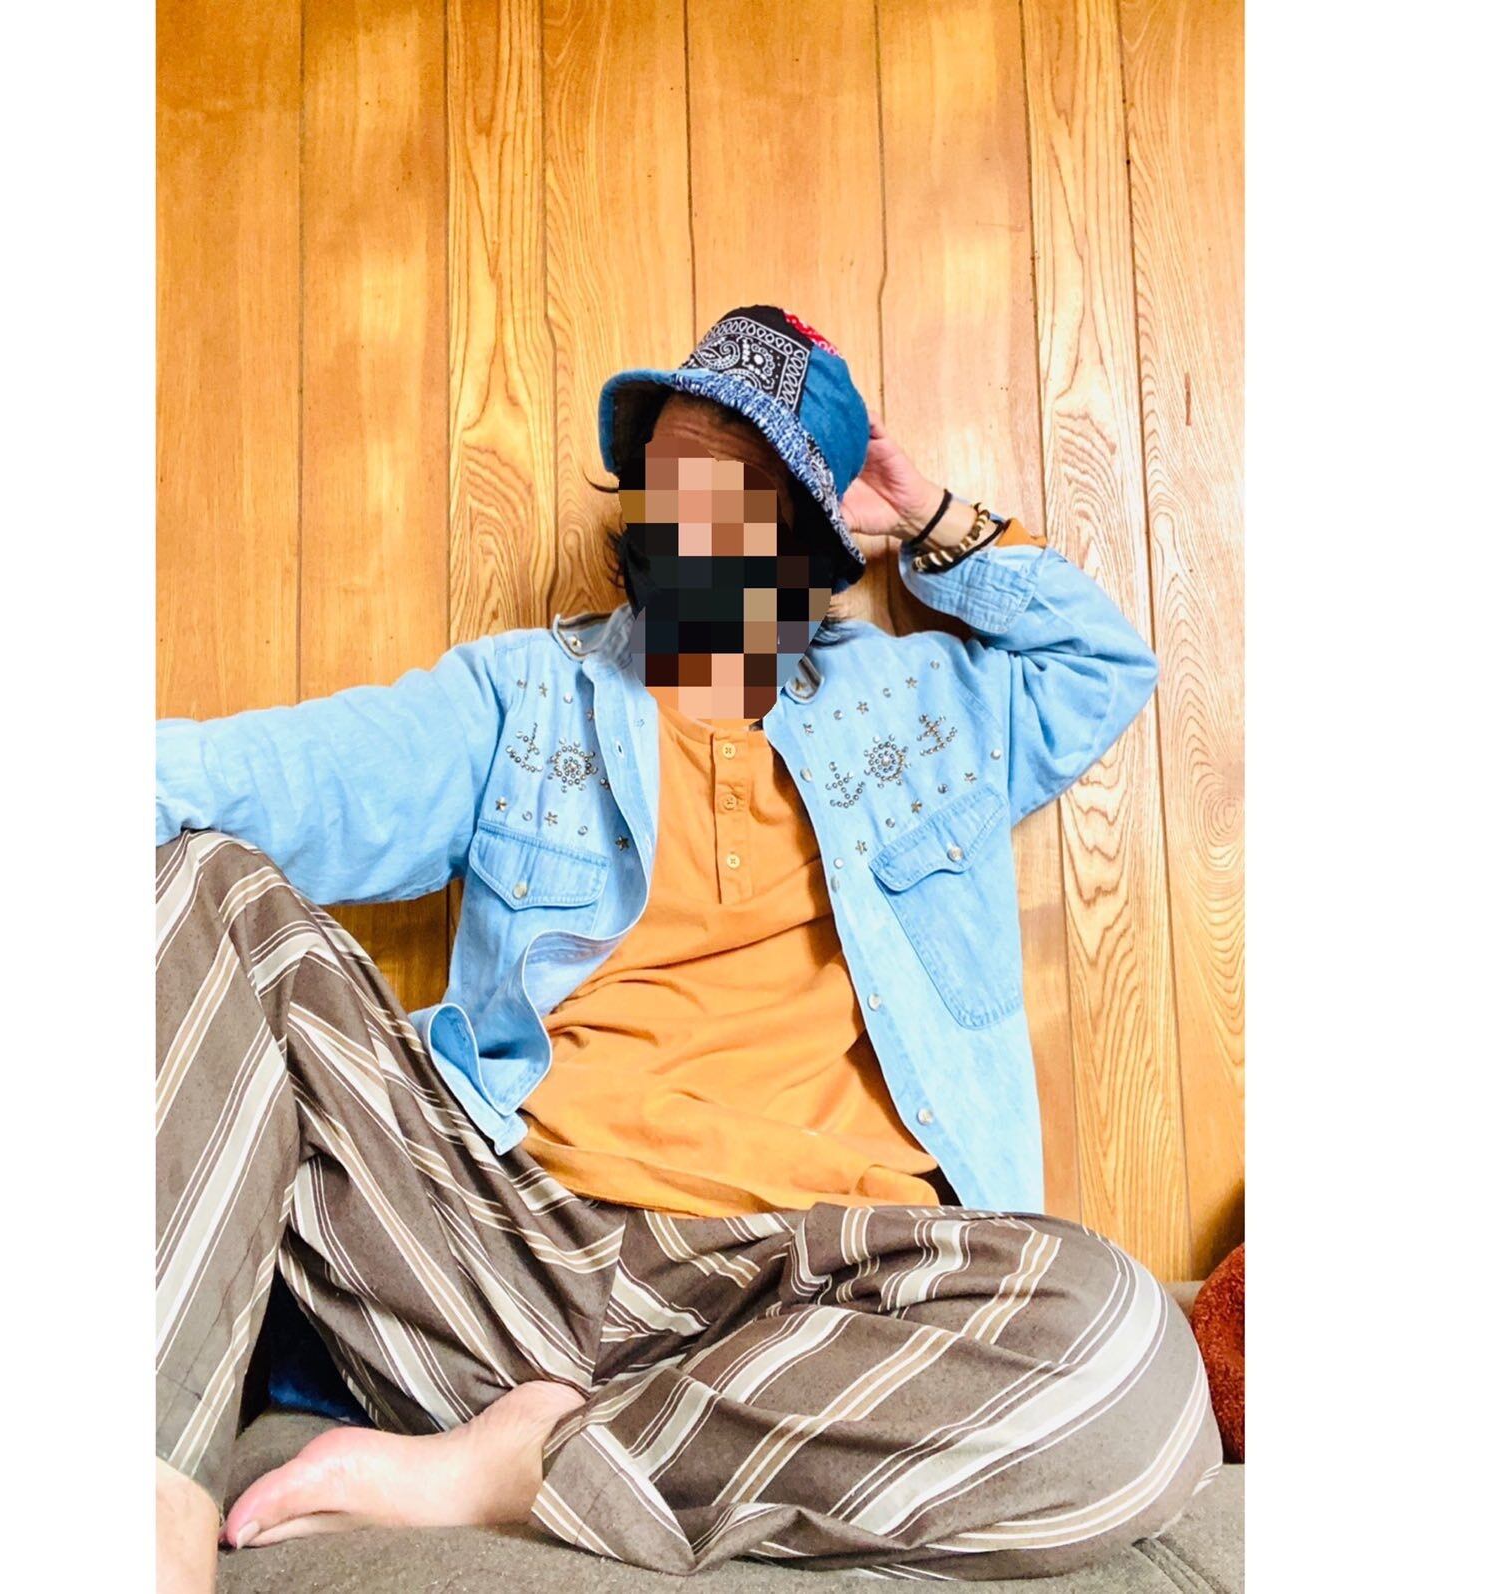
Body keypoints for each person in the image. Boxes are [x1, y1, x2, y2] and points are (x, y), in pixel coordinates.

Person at [155, 304, 1219, 1591]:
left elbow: (1100, 662)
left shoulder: (925, 709)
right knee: (200, 881)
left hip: (820, 1303)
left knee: (1130, 1356)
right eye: (670, 481)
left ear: (812, 542)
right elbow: (248, 779)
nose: (691, 522)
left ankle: (529, 1471)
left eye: (741, 493)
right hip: (507, 1252)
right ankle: (142, 1504)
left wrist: (927, 513)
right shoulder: (523, 696)